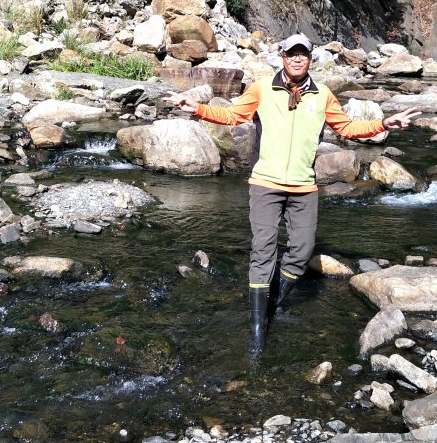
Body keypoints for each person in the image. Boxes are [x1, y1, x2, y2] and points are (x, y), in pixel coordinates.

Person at [168, 34, 422, 353]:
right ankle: (258, 329)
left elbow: (346, 128)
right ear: (282, 57)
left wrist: (383, 123)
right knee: (263, 251)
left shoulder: (323, 95)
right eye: (292, 54)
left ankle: (274, 302)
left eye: (303, 54)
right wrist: (199, 109)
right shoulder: (262, 88)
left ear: (311, 58)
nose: (297, 59)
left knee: (301, 252)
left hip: (304, 187)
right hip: (266, 183)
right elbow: (234, 116)